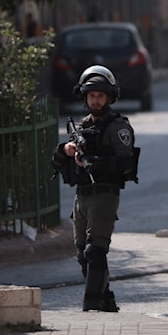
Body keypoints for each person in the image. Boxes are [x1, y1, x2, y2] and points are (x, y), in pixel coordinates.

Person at [50, 65, 138, 312]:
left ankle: (91, 304)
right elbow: (55, 163)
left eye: (100, 96)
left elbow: (124, 162)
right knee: (82, 253)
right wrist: (64, 151)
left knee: (95, 251)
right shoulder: (81, 127)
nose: (96, 101)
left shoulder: (117, 126)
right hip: (82, 196)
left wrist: (94, 161)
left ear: (109, 98)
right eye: (92, 96)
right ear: (85, 97)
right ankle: (106, 298)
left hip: (104, 194)